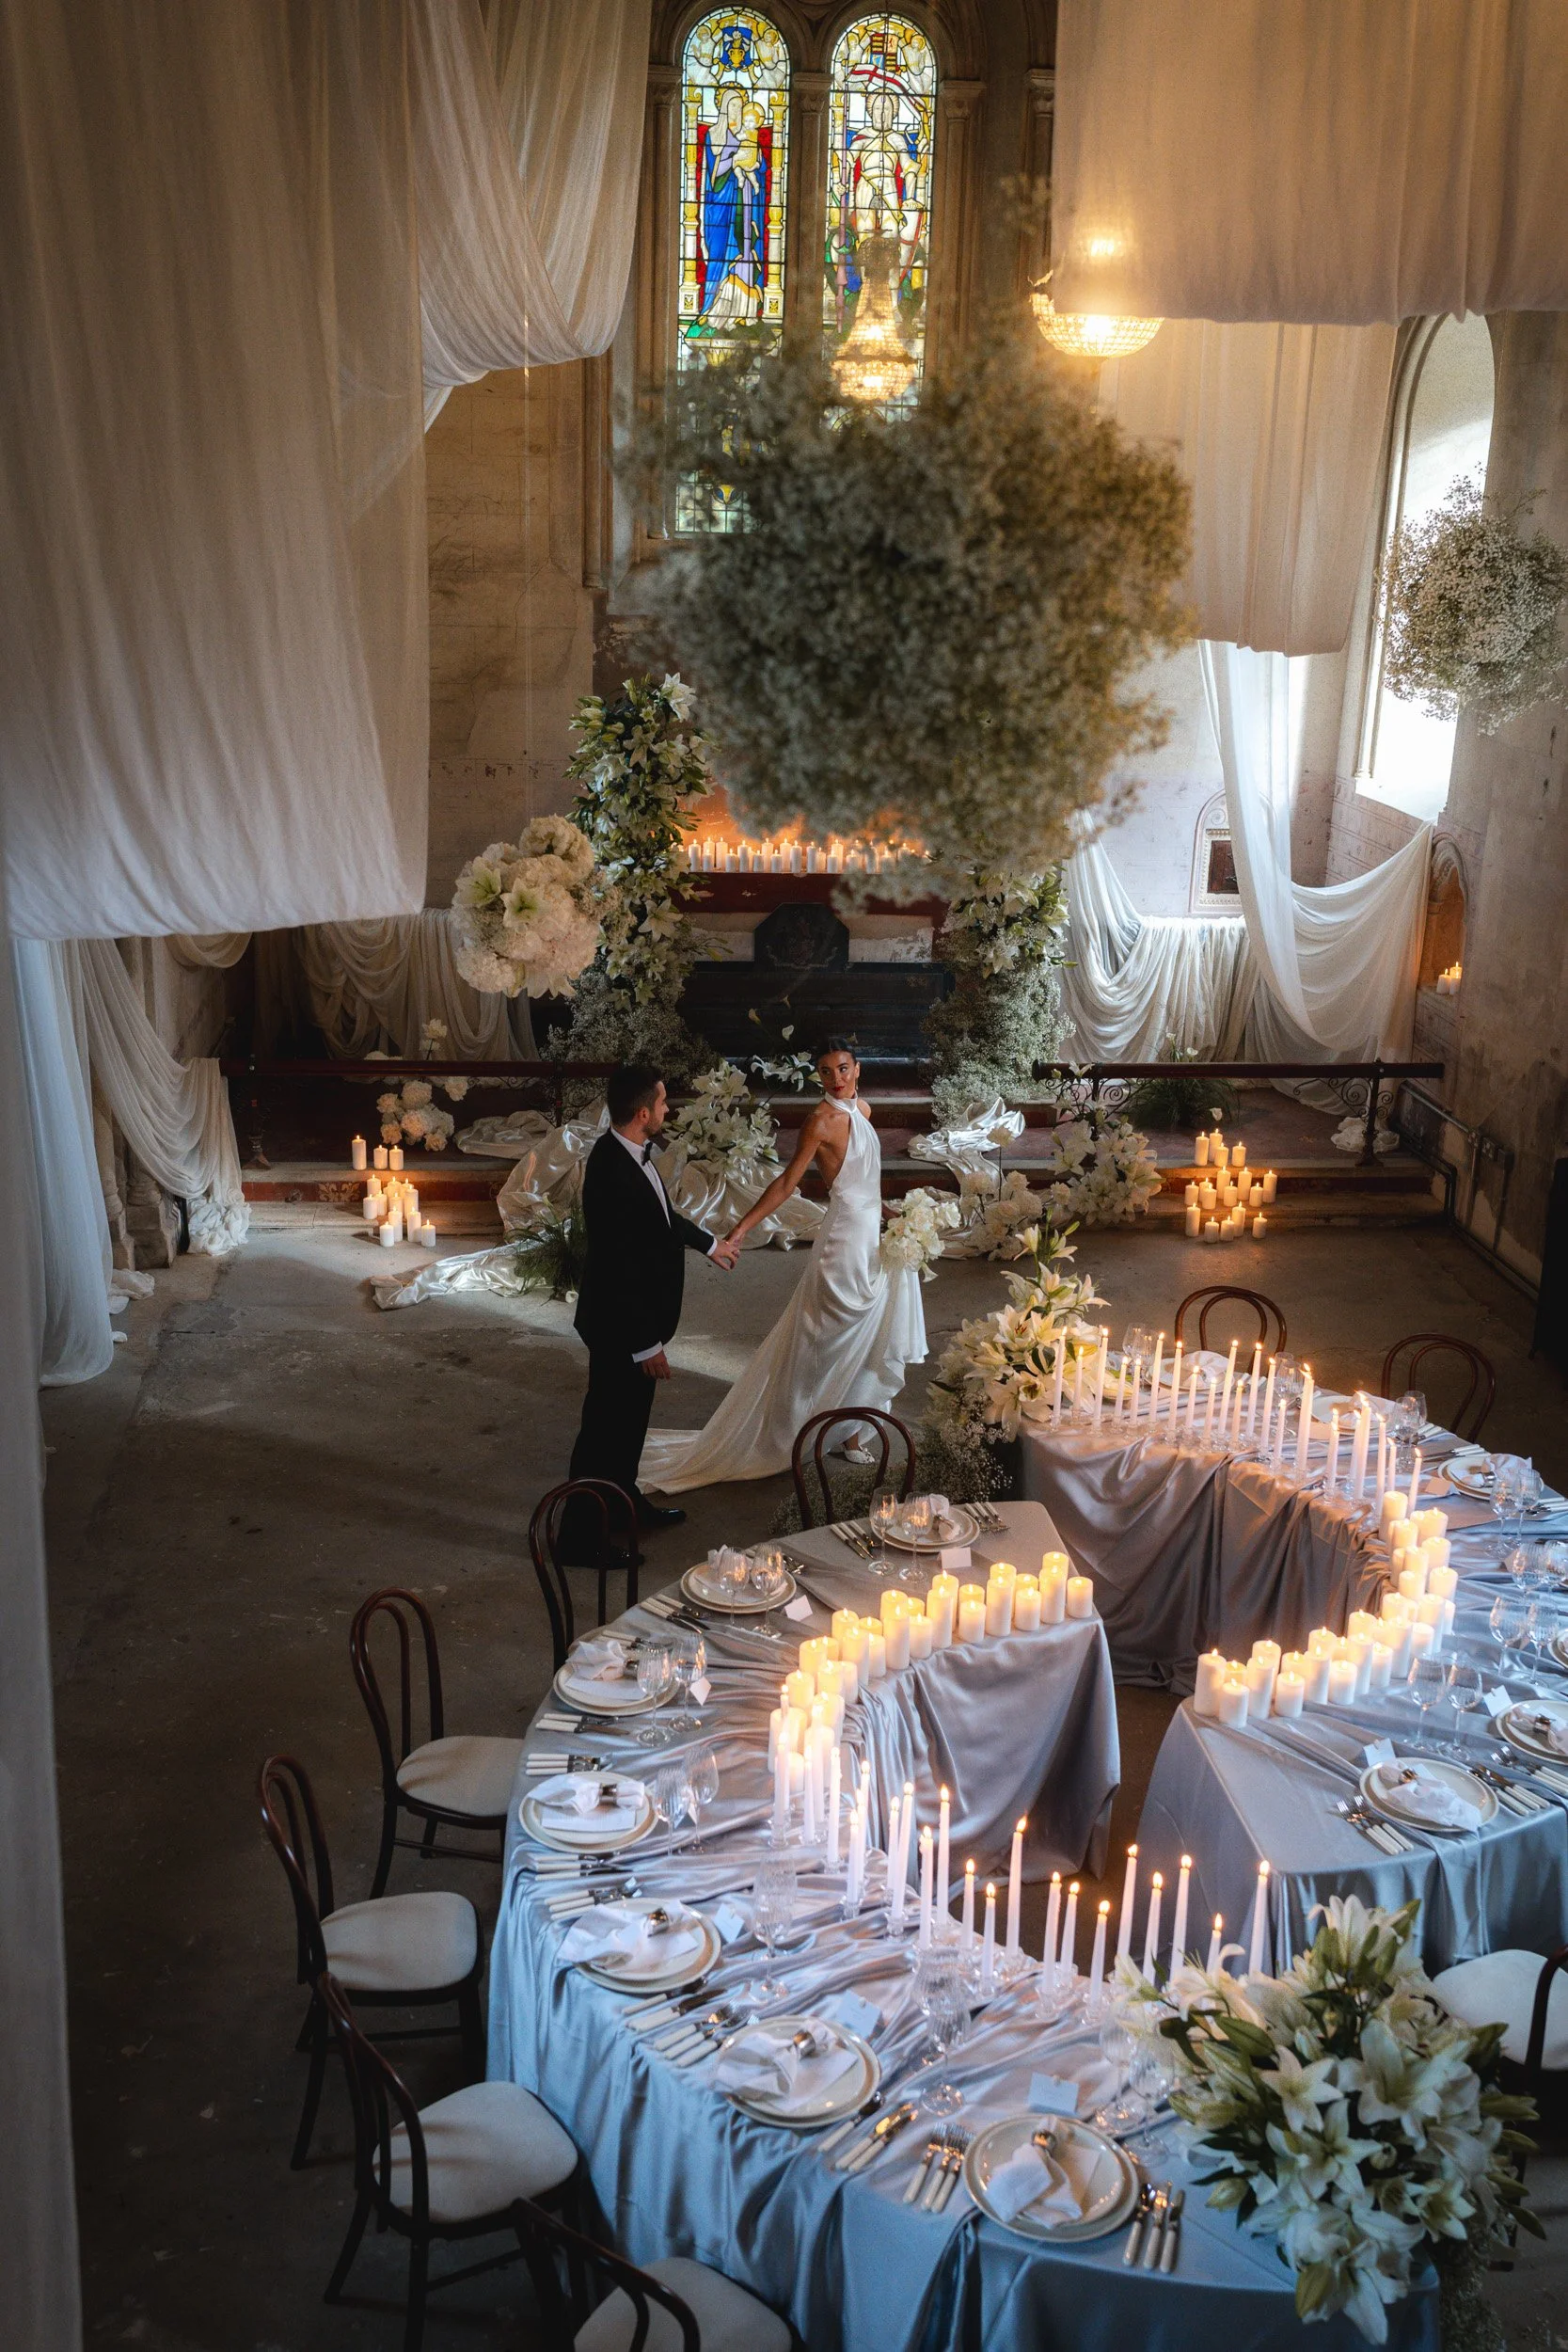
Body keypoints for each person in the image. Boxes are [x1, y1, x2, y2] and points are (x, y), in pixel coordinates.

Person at [640, 1039, 926, 1494]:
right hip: (842, 1242)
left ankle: (850, 1431)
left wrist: (898, 1217)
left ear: (858, 1069)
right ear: (819, 1077)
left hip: (871, 1235)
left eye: (843, 1068)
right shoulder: (820, 1121)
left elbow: (866, 1184)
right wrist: (738, 1230)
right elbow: (788, 1181)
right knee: (827, 1337)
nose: (836, 1078)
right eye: (827, 1072)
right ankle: (798, 1428)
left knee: (871, 1333)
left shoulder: (864, 1111)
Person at [567, 1066, 738, 1536]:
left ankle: (625, 1504)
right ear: (643, 1113)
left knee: (627, 1428)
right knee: (605, 1432)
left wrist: (710, 1245)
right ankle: (583, 1536)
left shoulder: (627, 1153)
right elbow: (621, 1267)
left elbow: (661, 1221)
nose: (668, 1109)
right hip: (621, 1328)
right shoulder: (613, 1173)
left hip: (629, 1324)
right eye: (663, 1103)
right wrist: (646, 1344)